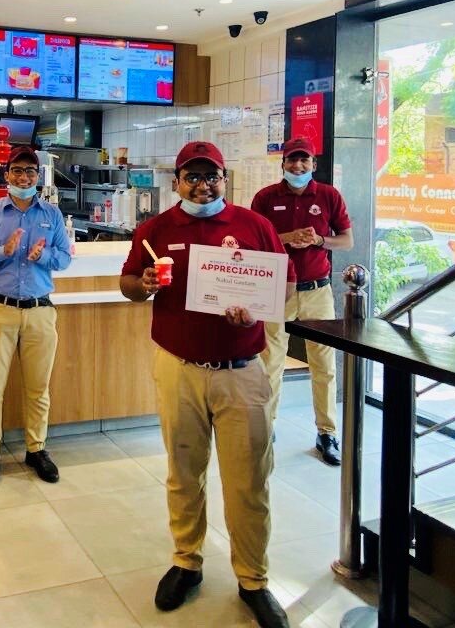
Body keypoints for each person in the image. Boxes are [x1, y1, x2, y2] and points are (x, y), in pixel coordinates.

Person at [120, 141, 295, 628]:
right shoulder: (156, 229)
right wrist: (145, 286)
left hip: (242, 372)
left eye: (211, 175)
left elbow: (285, 284)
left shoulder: (254, 226)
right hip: (179, 369)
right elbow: (128, 282)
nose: (202, 185)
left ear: (225, 178)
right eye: (191, 176)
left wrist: (256, 307)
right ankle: (186, 561)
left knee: (249, 480)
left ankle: (253, 580)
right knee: (183, 471)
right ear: (176, 182)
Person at [0, 145, 72, 490]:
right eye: (18, 170)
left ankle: (36, 449)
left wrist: (43, 256)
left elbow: (64, 258)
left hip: (40, 311)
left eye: (30, 171)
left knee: (38, 388)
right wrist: (4, 251)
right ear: (7, 174)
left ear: (37, 176)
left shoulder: (52, 215)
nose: (24, 177)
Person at [251, 136, 353, 466]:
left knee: (324, 364)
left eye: (304, 160)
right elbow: (252, 241)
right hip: (277, 290)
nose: (298, 166)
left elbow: (347, 240)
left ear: (313, 164)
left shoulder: (328, 196)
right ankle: (268, 424)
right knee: (270, 362)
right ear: (282, 164)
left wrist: (320, 239)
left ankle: (327, 432)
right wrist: (287, 238)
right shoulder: (266, 198)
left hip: (317, 291)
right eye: (292, 161)